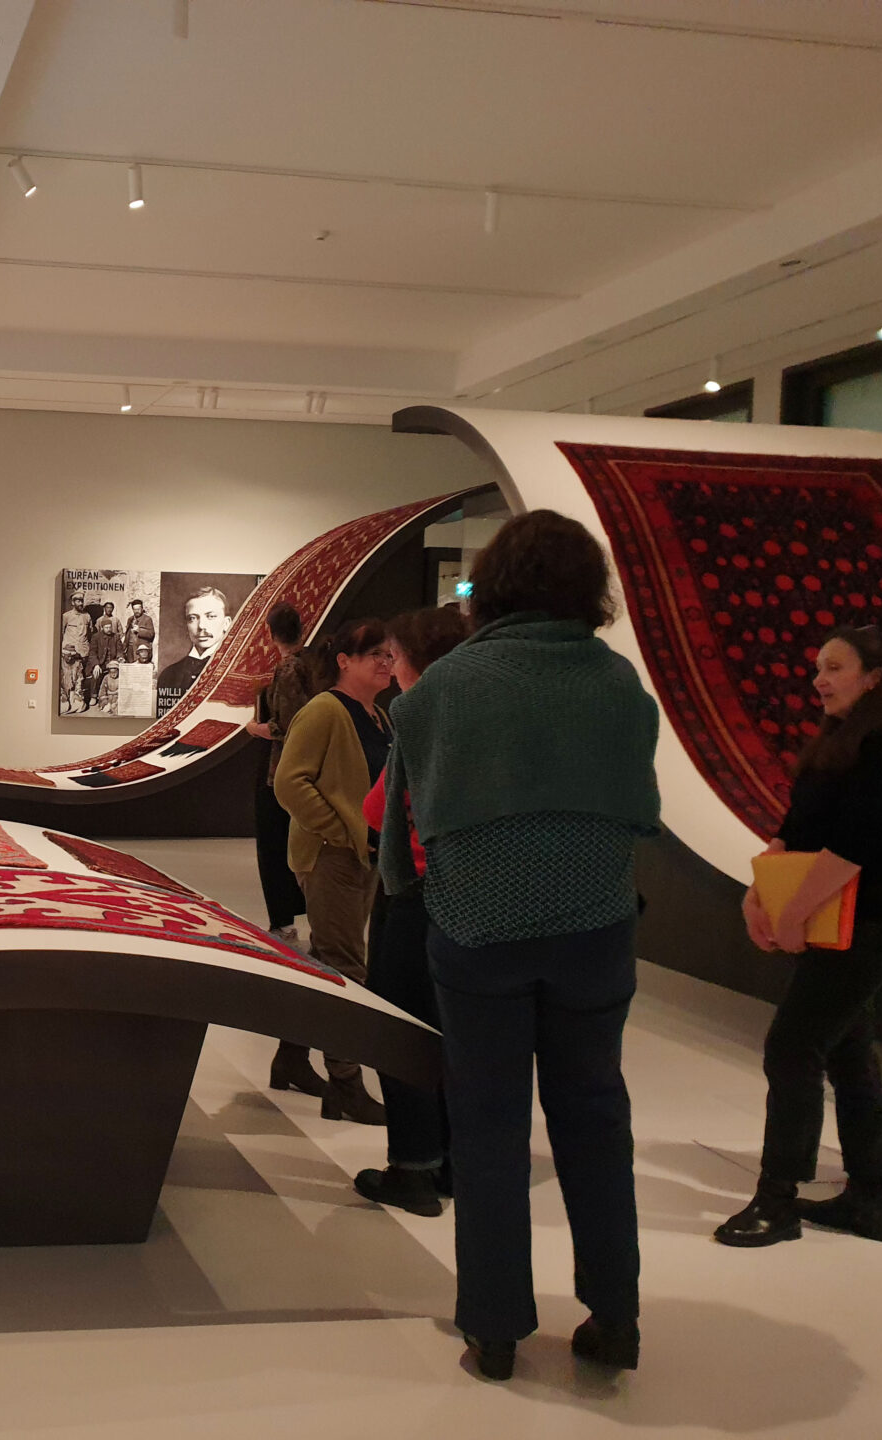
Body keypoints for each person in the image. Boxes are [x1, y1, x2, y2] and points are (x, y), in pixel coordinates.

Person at [379, 510, 659, 1381]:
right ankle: (616, 1319)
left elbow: (404, 829)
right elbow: (638, 811)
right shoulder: (619, 687)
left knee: (490, 1128)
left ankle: (494, 1329)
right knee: (596, 1121)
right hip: (594, 933)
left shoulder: (440, 690)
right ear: (588, 589)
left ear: (492, 584)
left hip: (477, 933)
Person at [716, 626, 882, 1250]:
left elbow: (863, 844)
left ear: (875, 677)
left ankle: (778, 1197)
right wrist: (759, 891)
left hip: (868, 924)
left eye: (834, 667)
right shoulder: (840, 741)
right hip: (835, 921)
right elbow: (795, 828)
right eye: (818, 666)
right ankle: (869, 1198)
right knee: (846, 1049)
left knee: (792, 1046)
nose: (819, 677)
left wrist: (794, 910)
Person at [353, 605, 471, 1217]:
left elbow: (379, 812)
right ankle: (451, 1159)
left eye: (394, 657)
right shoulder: (478, 717)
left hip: (420, 892)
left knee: (399, 1027)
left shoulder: (418, 715)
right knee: (452, 1030)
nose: (388, 668)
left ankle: (413, 1168)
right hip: (471, 899)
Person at [272, 624, 392, 1126]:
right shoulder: (324, 710)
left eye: (389, 655)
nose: (386, 663)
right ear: (344, 660)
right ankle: (345, 1083)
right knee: (347, 968)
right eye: (374, 655)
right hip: (332, 856)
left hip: (362, 856)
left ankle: (292, 1058)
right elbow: (289, 783)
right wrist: (341, 831)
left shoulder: (378, 716)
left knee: (325, 959)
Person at [243, 603, 318, 1090]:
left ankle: (283, 926)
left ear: (271, 633)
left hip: (279, 777)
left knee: (275, 851)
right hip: (292, 776)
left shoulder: (291, 669)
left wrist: (256, 728)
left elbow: (287, 726)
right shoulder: (309, 666)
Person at [156, 586, 231, 713]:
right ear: (187, 625)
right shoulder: (168, 675)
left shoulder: (239, 672)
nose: (201, 626)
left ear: (226, 623)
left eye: (211, 616)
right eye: (192, 618)